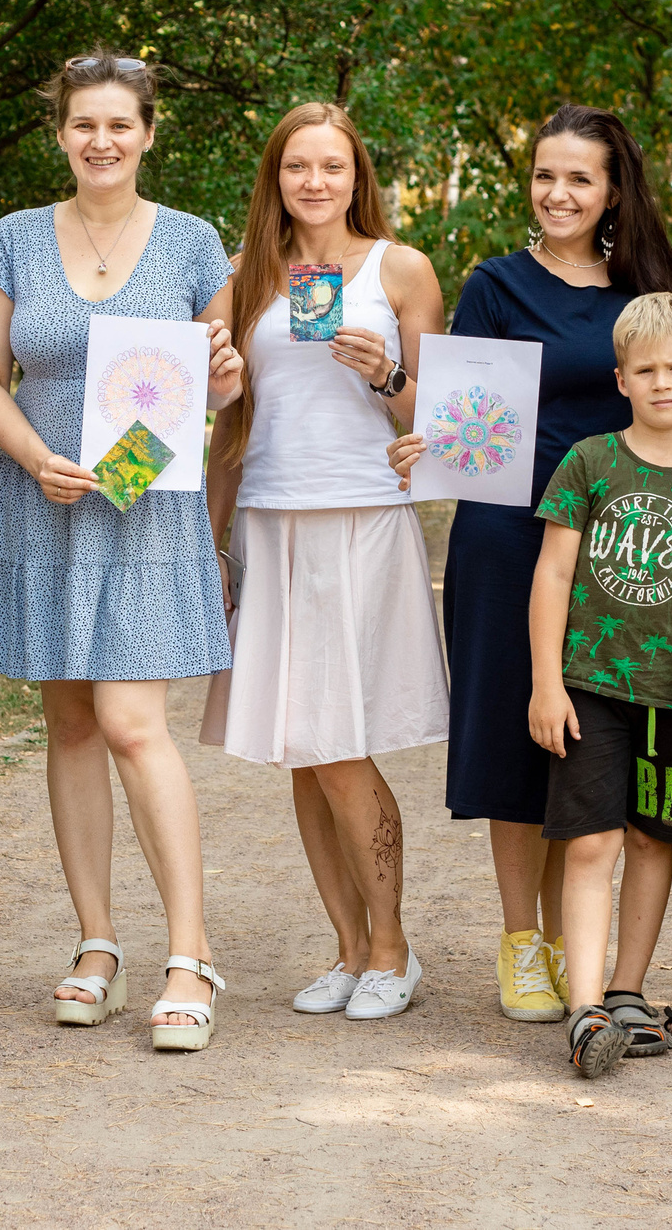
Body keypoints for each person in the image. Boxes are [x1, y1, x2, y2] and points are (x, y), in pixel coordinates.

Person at [386, 105, 672, 1037]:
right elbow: (466, 414)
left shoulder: (648, 287)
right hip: (512, 535)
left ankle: (583, 950)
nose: (558, 193)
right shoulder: (495, 284)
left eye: (579, 178)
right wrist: (414, 415)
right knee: (520, 729)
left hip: (629, 544)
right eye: (545, 175)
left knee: (596, 742)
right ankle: (521, 941)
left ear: (613, 190)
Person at [0, 52, 245, 1053]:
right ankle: (95, 945)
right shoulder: (10, 242)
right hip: (45, 500)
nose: (101, 140)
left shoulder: (193, 243)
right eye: (84, 124)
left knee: (132, 722)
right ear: (61, 134)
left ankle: (189, 954)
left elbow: (213, 389)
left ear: (148, 133)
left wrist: (223, 370)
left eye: (119, 124)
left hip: (141, 506)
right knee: (71, 725)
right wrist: (37, 459)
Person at [200, 102, 449, 1021]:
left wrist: (385, 374)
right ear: (276, 177)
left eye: (331, 166)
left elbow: (448, 421)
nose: (314, 181)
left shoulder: (401, 268)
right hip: (270, 519)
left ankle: (394, 947)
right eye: (297, 166)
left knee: (342, 745)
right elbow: (231, 420)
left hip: (361, 519)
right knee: (301, 751)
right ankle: (348, 950)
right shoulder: (244, 278)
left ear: (357, 176)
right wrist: (212, 538)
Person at [520, 293, 672, 1078]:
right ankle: (584, 1009)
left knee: (654, 840)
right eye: (644, 369)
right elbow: (551, 573)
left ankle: (626, 992)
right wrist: (546, 681)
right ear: (620, 379)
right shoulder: (588, 461)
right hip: (589, 685)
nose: (661, 382)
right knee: (592, 842)